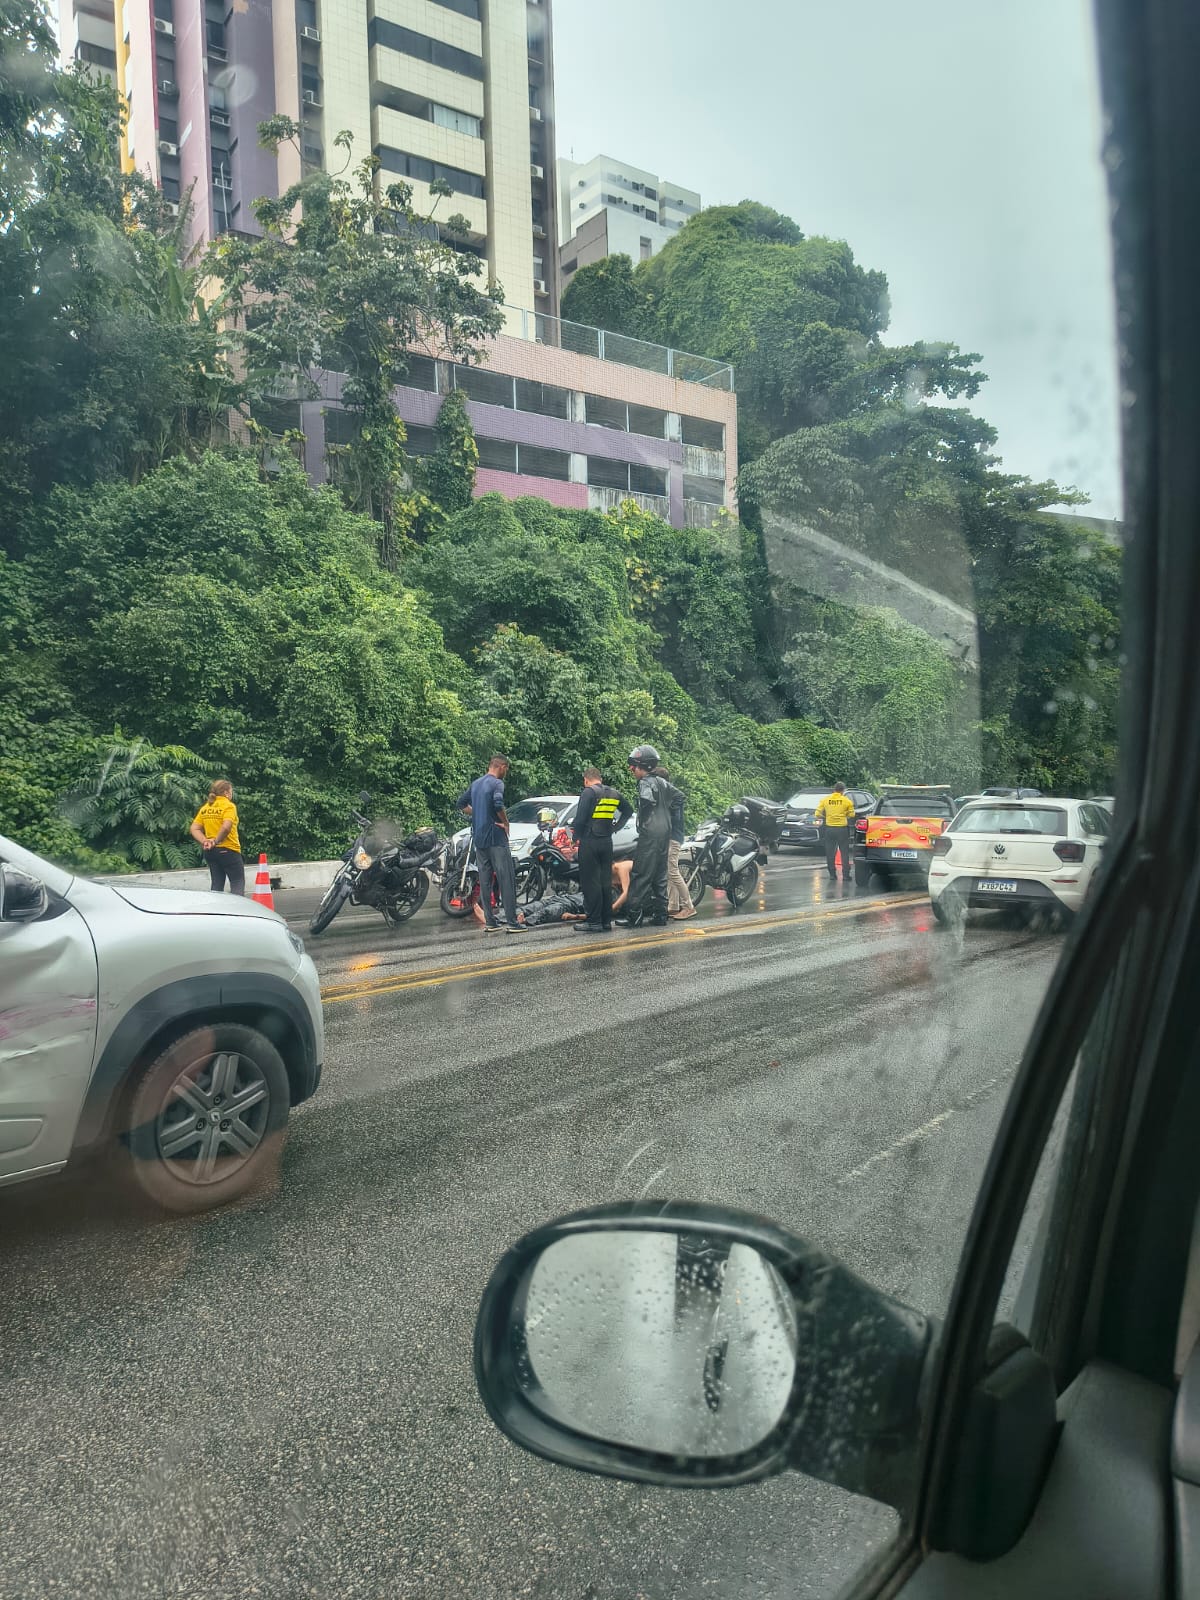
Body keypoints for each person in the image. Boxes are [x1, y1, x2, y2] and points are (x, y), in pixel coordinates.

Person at [456, 755, 526, 934]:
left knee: (485, 880)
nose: (506, 773)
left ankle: (490, 922)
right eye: (506, 769)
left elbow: (461, 803)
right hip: (496, 837)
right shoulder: (497, 784)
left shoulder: (476, 784)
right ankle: (512, 922)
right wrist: (505, 822)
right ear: (502, 767)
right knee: (505, 879)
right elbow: (498, 803)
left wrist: (477, 814)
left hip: (479, 839)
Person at [618, 744, 681, 928]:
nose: (631, 769)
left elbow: (646, 799)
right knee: (660, 875)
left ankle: (634, 917)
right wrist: (667, 814)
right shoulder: (662, 782)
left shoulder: (645, 782)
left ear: (643, 766)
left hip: (650, 835)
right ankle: (661, 915)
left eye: (634, 766)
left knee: (640, 874)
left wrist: (645, 819)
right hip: (664, 834)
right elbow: (679, 797)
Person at [571, 767, 633, 933]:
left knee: (590, 882)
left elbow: (581, 819)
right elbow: (628, 811)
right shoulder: (614, 793)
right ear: (600, 778)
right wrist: (615, 827)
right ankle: (606, 921)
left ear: (586, 780)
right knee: (605, 882)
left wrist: (574, 838)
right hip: (606, 842)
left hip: (590, 842)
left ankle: (593, 922)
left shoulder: (588, 792)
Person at [654, 763, 696, 921]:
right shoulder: (666, 795)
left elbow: (675, 818)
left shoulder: (673, 795)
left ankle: (688, 906)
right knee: (669, 871)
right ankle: (672, 906)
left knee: (672, 871)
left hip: (673, 837)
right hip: (668, 837)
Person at [189, 779, 245, 895]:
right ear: (226, 793)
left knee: (216, 885)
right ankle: (237, 906)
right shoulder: (228, 806)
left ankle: (216, 906)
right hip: (229, 850)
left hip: (210, 852)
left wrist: (205, 841)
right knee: (237, 882)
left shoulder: (206, 808)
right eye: (231, 791)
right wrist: (215, 841)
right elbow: (226, 827)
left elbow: (194, 828)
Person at [814, 781, 857, 881]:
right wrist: (844, 814)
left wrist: (826, 816)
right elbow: (852, 815)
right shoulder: (847, 801)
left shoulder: (825, 800)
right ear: (843, 790)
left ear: (834, 789)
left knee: (830, 852)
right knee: (844, 852)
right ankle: (846, 875)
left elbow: (817, 814)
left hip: (829, 829)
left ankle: (832, 875)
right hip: (842, 829)